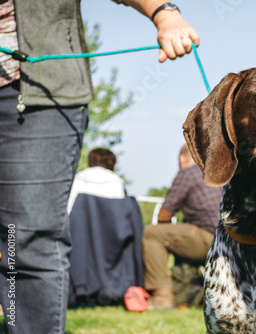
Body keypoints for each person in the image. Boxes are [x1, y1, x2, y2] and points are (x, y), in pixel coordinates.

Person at [0, 1, 199, 333]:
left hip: (31, 87)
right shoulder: (120, 186)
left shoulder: (85, 181)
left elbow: (163, 212)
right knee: (17, 239)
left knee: (21, 239)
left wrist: (163, 11)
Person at [142, 145, 222, 310]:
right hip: (229, 240)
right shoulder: (218, 174)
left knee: (152, 234)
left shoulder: (188, 172)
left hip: (210, 238)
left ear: (182, 158)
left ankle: (162, 297)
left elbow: (165, 212)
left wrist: (166, 239)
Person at [67, 148, 126, 213]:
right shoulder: (116, 183)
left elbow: (69, 209)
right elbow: (120, 213)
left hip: (79, 221)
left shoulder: (76, 180)